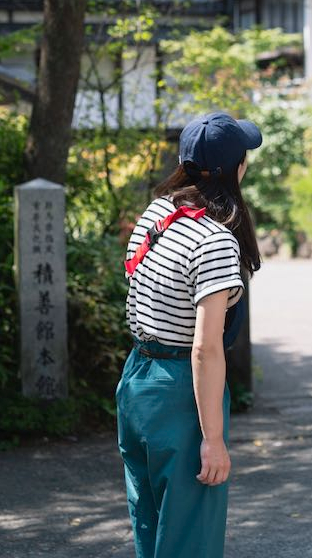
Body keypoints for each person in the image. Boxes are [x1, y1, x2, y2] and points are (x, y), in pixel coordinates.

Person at [116, 111, 263, 558]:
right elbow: (205, 348)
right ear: (236, 168)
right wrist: (213, 439)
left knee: (151, 522)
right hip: (184, 389)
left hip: (139, 379)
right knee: (189, 537)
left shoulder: (157, 214)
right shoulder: (215, 241)